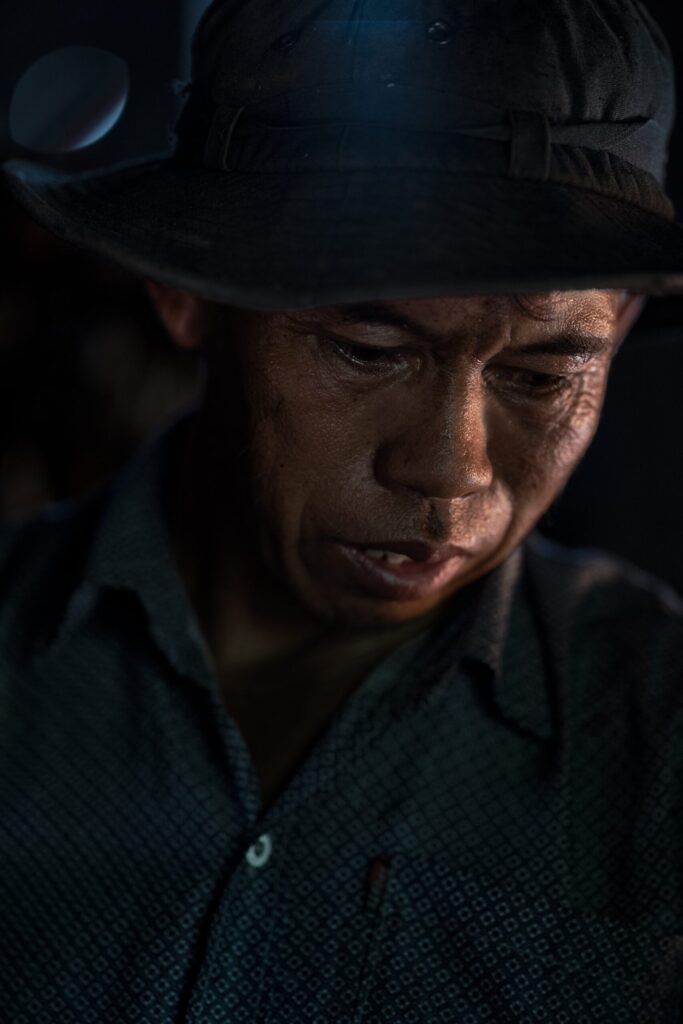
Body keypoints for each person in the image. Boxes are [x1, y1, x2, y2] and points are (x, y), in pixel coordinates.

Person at [2, 0, 683, 1020]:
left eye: (542, 377)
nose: (447, 471)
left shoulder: (658, 737)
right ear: (186, 293)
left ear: (618, 329)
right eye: (367, 352)